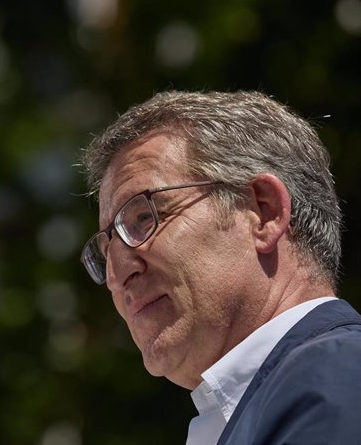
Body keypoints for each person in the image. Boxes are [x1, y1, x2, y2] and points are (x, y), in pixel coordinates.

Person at [78, 91, 361, 444]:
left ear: (264, 212)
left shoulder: (336, 376)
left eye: (143, 217)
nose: (117, 275)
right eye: (106, 249)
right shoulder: (271, 399)